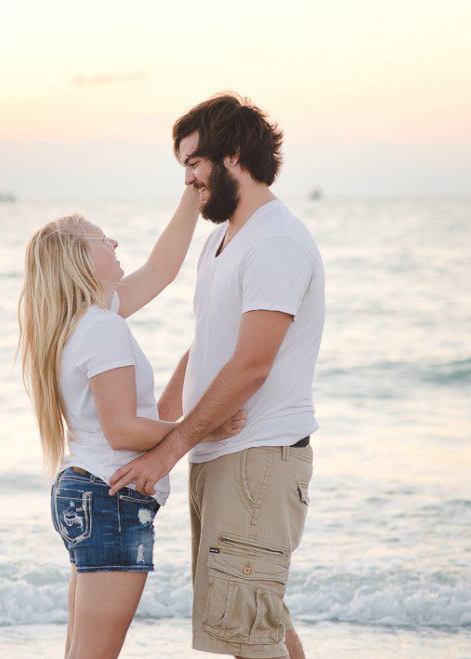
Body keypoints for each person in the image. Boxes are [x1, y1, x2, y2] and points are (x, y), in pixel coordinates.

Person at [109, 93, 325, 659]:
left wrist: (168, 451)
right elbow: (210, 343)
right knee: (257, 623)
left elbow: (252, 364)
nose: (188, 181)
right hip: (223, 456)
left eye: (194, 163)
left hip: (258, 455)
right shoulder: (221, 240)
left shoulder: (275, 240)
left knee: (247, 633)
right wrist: (161, 421)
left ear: (232, 156)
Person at [17, 190, 245, 659]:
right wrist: (202, 427)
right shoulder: (102, 328)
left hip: (88, 492)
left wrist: (192, 194)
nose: (115, 245)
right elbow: (122, 431)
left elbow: (162, 269)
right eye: (104, 240)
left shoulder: (81, 322)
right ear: (81, 259)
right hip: (110, 498)